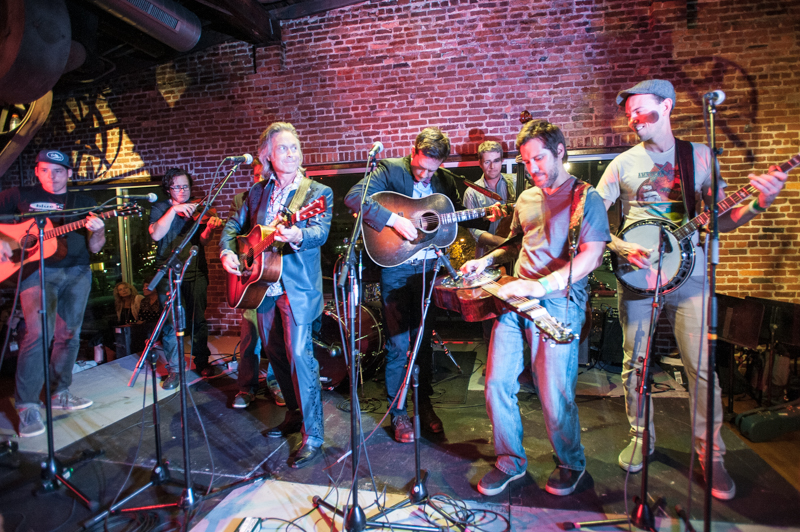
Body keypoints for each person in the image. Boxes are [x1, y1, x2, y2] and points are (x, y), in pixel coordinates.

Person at [596, 79, 788, 500]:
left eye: (641, 109)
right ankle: (640, 436)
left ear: (667, 107)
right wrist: (620, 246)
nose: (633, 119)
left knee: (701, 368)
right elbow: (591, 219)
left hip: (692, 276)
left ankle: (711, 454)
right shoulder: (621, 164)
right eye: (628, 113)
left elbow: (722, 219)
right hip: (639, 277)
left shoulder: (699, 155)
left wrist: (759, 202)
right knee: (635, 364)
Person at [461, 120, 610, 497]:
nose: (533, 168)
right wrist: (486, 260)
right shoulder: (526, 198)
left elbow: (592, 256)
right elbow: (515, 244)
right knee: (496, 384)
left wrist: (540, 285)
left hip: (558, 301)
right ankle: (509, 461)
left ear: (560, 151)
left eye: (539, 158)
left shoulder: (586, 198)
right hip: (515, 299)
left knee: (553, 393)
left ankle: (571, 462)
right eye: (526, 162)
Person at [344, 127, 497, 444]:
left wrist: (486, 215)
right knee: (399, 343)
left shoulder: (444, 181)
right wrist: (394, 220)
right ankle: (398, 412)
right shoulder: (390, 169)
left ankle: (423, 406)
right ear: (413, 151)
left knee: (423, 343)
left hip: (429, 270)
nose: (425, 175)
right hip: (397, 268)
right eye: (421, 167)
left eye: (432, 169)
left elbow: (454, 216)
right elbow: (354, 197)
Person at [220, 122, 332, 468]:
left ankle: (314, 435)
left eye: (295, 147)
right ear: (266, 155)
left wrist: (298, 234)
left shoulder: (317, 192)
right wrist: (227, 252)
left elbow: (320, 232)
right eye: (283, 148)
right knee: (274, 352)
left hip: (298, 289)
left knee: (300, 355)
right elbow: (233, 226)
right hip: (263, 287)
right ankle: (294, 415)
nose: (291, 153)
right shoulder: (257, 192)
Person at [0, 149, 106, 437]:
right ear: (37, 171)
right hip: (35, 273)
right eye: (45, 170)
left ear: (69, 173)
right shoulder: (18, 195)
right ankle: (27, 405)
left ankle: (60, 393)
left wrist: (98, 231)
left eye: (58, 171)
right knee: (38, 335)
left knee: (69, 335)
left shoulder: (83, 203)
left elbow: (96, 247)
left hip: (78, 272)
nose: (52, 176)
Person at [149, 168, 225, 389]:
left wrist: (209, 228)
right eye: (177, 187)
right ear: (168, 189)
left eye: (186, 187)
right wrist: (174, 210)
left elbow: (203, 241)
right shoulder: (160, 209)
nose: (182, 191)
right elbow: (156, 234)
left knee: (198, 320)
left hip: (195, 270)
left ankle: (202, 362)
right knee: (171, 323)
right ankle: (175, 370)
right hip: (168, 272)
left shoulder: (198, 209)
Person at [228, 158, 284, 409]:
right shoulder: (245, 199)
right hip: (251, 279)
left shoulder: (286, 200)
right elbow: (234, 233)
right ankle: (246, 387)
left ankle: (276, 383)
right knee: (250, 337)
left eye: (266, 173)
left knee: (276, 338)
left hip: (276, 276)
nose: (262, 178)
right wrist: (235, 255)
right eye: (257, 174)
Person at [463, 141, 516, 258]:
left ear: (502, 161)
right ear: (480, 163)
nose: (492, 166)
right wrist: (503, 242)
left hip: (517, 251)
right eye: (487, 162)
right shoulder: (471, 192)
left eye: (496, 161)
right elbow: (473, 230)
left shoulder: (516, 181)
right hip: (488, 254)